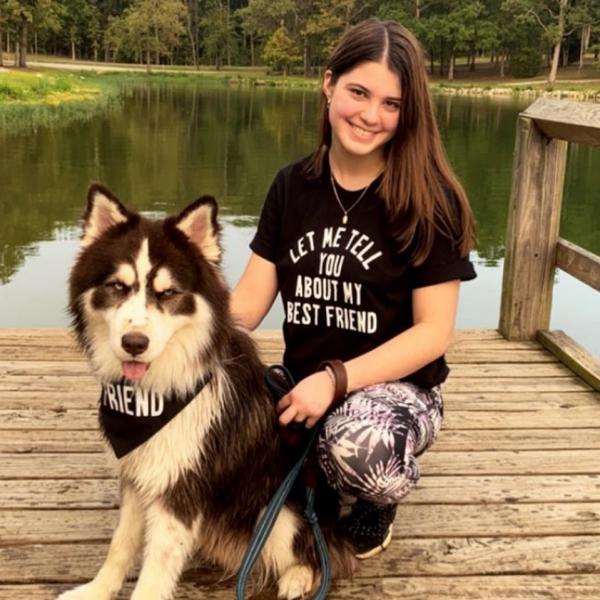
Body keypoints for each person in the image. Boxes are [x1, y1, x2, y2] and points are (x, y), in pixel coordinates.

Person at [230, 18, 477, 560]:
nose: (370, 115)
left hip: (394, 393)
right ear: (328, 85)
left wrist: (337, 380)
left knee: (358, 449)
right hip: (301, 385)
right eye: (359, 92)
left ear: (408, 113)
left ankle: (374, 504)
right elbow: (248, 302)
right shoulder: (292, 185)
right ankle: (312, 467)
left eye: (391, 104)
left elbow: (433, 334)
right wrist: (180, 335)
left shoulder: (431, 202)